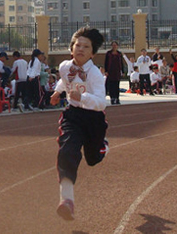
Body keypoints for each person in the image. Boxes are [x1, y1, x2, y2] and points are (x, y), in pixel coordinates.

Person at [50, 27, 107, 221]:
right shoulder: (65, 66)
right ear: (71, 48)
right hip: (72, 116)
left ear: (93, 52)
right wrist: (58, 92)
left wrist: (82, 97)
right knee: (67, 152)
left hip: (93, 119)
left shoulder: (95, 75)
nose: (81, 49)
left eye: (86, 46)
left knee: (92, 159)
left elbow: (101, 103)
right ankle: (67, 200)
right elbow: (64, 80)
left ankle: (102, 147)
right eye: (77, 45)